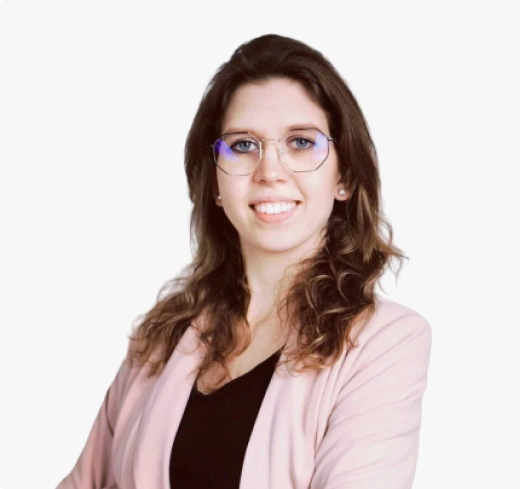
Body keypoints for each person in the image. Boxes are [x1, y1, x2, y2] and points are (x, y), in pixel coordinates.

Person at [56, 33, 432, 489]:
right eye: (242, 146)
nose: (270, 171)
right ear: (215, 182)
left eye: (301, 142)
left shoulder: (385, 342)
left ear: (345, 177)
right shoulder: (161, 336)